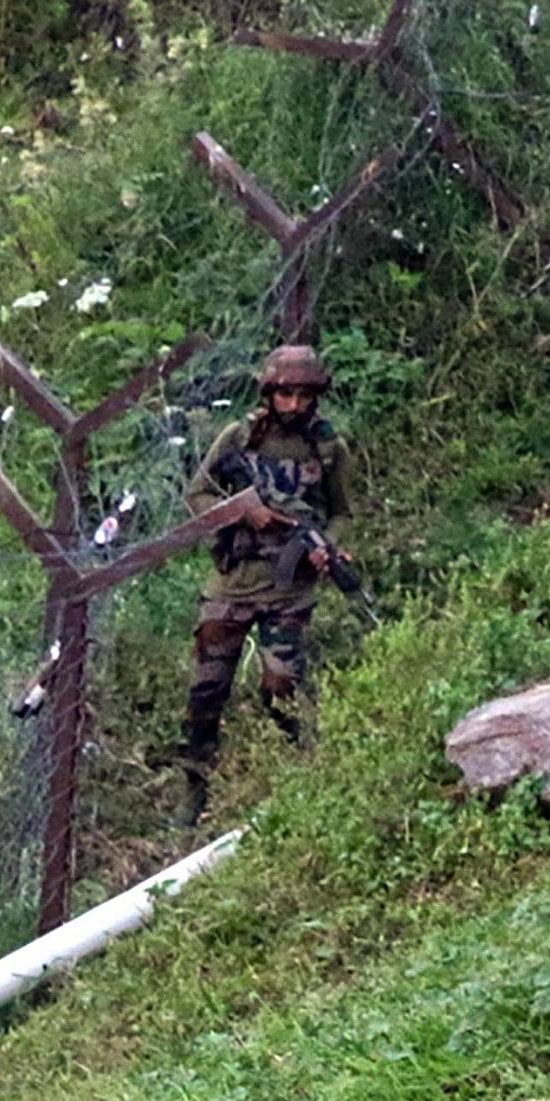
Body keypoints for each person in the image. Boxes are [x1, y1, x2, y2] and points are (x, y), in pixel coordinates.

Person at [179, 343, 361, 826]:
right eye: (285, 393)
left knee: (282, 683)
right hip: (231, 584)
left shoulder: (327, 447)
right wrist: (243, 512)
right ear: (270, 391)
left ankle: (295, 777)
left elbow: (341, 512)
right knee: (205, 690)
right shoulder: (238, 437)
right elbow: (196, 494)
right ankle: (195, 786)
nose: (294, 404)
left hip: (289, 589)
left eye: (304, 395)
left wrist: (330, 546)